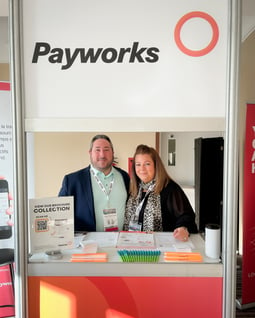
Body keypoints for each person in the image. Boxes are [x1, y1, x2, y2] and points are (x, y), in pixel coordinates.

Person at [123, 144, 198, 241]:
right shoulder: (133, 188)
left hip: (161, 246)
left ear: (156, 165)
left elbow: (186, 216)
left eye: (147, 164)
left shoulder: (170, 188)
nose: (142, 169)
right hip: (133, 243)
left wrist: (183, 228)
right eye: (138, 164)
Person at [59, 134, 130, 232]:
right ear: (90, 153)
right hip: (88, 244)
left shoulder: (125, 177)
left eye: (106, 149)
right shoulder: (72, 181)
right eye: (97, 150)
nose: (102, 154)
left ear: (112, 153)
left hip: (120, 241)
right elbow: (60, 215)